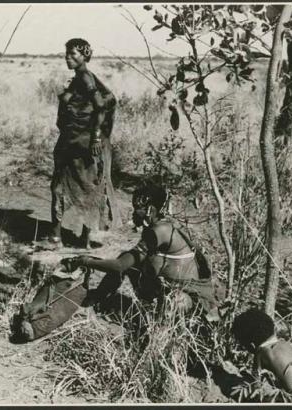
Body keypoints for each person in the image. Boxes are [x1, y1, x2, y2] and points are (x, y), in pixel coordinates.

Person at [61, 183, 219, 317]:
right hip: (172, 287)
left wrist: (86, 261)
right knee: (133, 263)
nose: (134, 212)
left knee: (173, 300)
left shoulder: (159, 231)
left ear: (150, 209)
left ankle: (158, 338)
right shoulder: (161, 226)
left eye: (137, 208)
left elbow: (120, 265)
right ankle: (96, 299)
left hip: (192, 298)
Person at [50, 38, 121, 248]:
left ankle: (58, 237)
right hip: (74, 141)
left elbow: (100, 105)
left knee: (70, 186)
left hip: (81, 142)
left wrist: (96, 136)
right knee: (81, 186)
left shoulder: (86, 78)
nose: (68, 58)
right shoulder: (79, 78)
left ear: (84, 56)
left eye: (73, 54)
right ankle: (81, 237)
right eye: (67, 54)